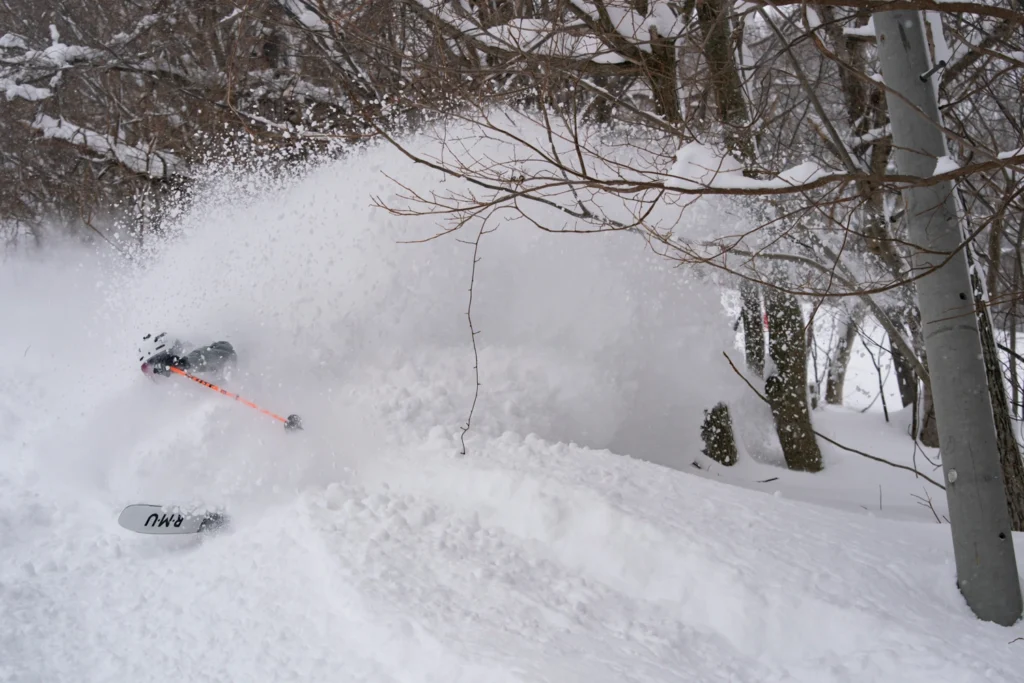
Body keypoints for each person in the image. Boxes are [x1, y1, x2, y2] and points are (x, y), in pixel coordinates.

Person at [139, 333, 237, 379]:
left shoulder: (197, 349)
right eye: (146, 369)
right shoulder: (160, 399)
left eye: (158, 362)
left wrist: (184, 364)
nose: (155, 371)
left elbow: (226, 352)